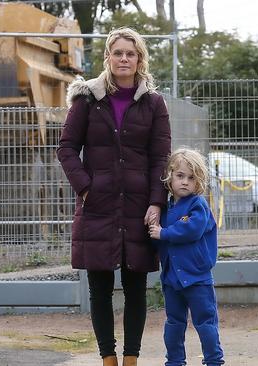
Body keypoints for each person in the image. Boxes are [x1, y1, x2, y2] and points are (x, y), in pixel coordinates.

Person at [57, 27, 171, 366]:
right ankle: (108, 359)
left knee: (137, 289)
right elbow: (65, 149)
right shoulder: (87, 100)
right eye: (118, 53)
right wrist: (86, 187)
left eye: (130, 54)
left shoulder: (154, 104)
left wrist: (156, 201)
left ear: (139, 60)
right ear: (108, 57)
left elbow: (160, 158)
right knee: (100, 289)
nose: (124, 59)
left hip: (139, 208)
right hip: (98, 208)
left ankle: (131, 359)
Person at [148, 148, 225, 366]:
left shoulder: (197, 205)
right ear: (170, 176)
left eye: (191, 178)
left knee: (205, 321)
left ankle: (214, 360)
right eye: (180, 176)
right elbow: (159, 240)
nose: (185, 182)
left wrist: (163, 232)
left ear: (198, 181)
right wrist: (154, 231)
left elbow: (192, 229)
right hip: (172, 279)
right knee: (174, 322)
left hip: (198, 278)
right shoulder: (166, 208)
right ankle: (174, 361)